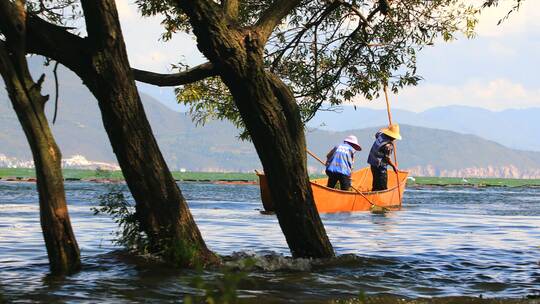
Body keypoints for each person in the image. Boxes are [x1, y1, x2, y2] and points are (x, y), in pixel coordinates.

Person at [367, 124, 401, 191]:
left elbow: (378, 133)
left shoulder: (381, 135)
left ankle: (375, 195)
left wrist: (388, 129)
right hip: (380, 166)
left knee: (376, 184)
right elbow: (387, 159)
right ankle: (380, 199)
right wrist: (394, 166)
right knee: (382, 186)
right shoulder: (388, 145)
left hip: (372, 162)